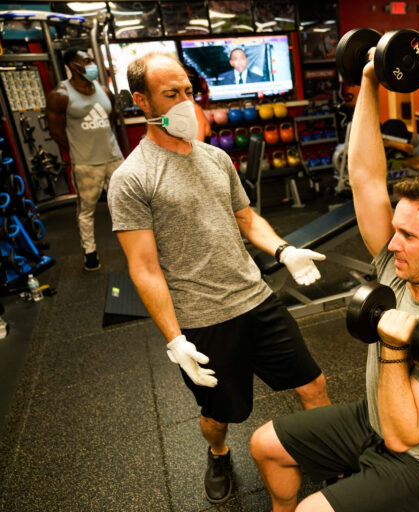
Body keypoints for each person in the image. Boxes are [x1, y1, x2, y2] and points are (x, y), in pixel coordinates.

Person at [249, 52, 419, 512]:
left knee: (312, 511)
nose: (391, 244)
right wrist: (369, 79)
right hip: (374, 419)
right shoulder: (398, 272)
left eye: (408, 236)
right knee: (264, 444)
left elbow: (403, 438)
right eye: (395, 230)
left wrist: (395, 348)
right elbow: (364, 177)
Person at [107, 53, 330, 504]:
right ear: (142, 101)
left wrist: (284, 250)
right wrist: (175, 339)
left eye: (189, 92)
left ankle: (329, 458)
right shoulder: (132, 178)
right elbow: (144, 267)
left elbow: (246, 218)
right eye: (172, 94)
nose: (186, 103)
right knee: (219, 415)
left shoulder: (216, 157)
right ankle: (218, 453)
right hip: (203, 318)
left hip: (256, 297)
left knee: (314, 385)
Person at [45, 47, 124, 271]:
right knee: (86, 210)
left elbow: (111, 118)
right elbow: (56, 132)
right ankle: (90, 254)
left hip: (114, 157)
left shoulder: (103, 89)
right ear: (73, 65)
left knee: (129, 203)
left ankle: (139, 246)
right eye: (87, 61)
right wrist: (80, 150)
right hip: (86, 163)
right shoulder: (61, 95)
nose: (92, 65)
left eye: (91, 60)